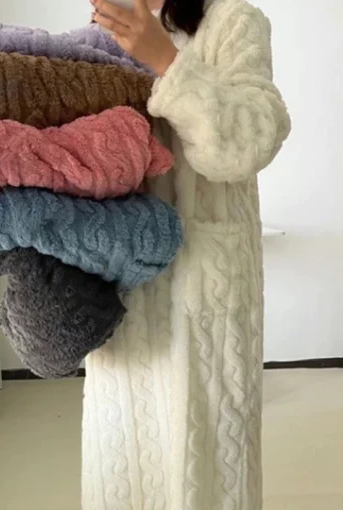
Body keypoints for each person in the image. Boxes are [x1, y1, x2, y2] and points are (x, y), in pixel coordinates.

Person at [83, 0, 291, 509]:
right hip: (122, 280)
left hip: (204, 283)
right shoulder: (103, 29)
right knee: (126, 453)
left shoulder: (233, 20)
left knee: (210, 455)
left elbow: (250, 142)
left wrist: (167, 62)